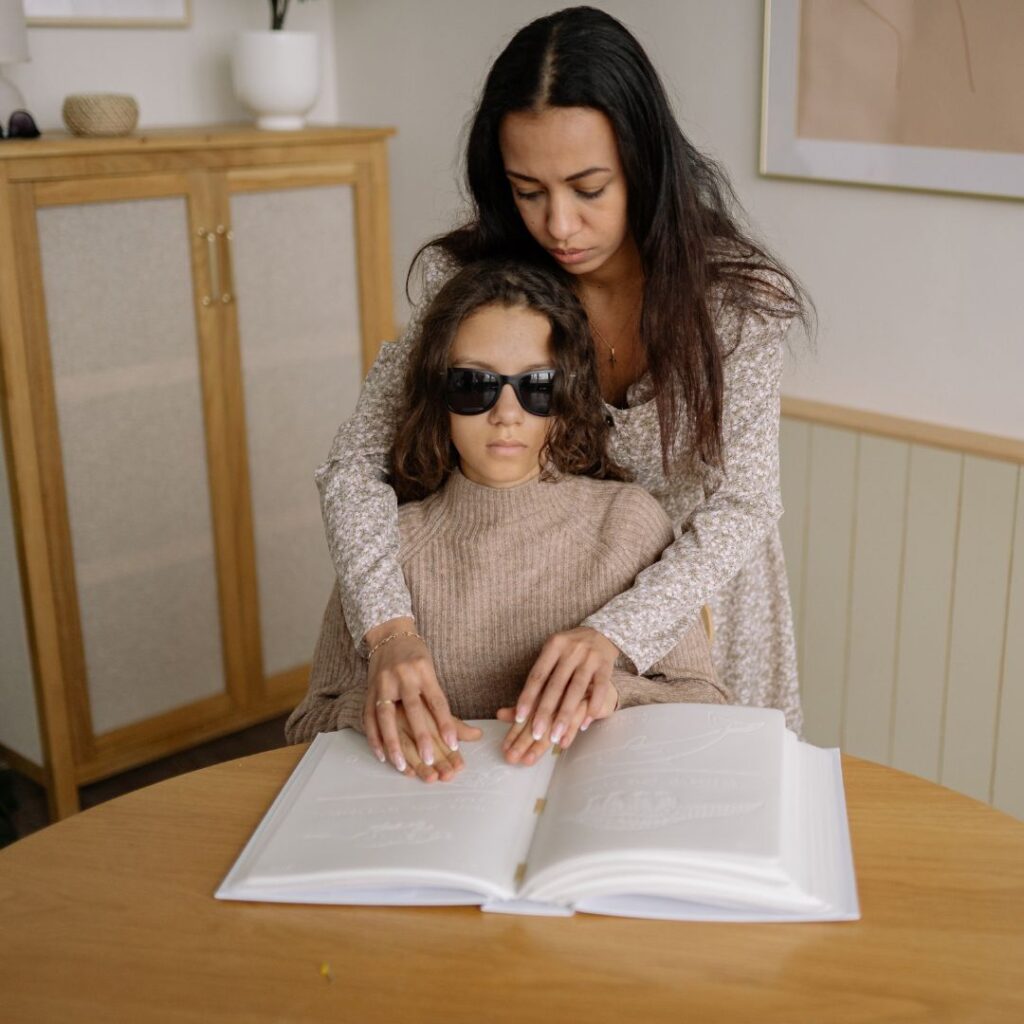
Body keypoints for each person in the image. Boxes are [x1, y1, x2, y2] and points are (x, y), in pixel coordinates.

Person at [315, 6, 808, 777]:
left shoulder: (735, 302)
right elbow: (354, 468)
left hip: (692, 611)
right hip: (539, 600)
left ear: (643, 161)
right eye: (527, 190)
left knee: (702, 810)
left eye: (588, 187)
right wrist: (389, 629)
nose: (559, 224)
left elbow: (744, 504)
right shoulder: (478, 283)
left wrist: (618, 634)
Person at [287, 261, 727, 780]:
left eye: (537, 385)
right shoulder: (384, 549)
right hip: (435, 814)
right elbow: (307, 723)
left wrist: (616, 694)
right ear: (439, 396)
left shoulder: (628, 524)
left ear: (567, 398)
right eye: (475, 384)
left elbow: (705, 700)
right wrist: (369, 714)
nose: (506, 412)